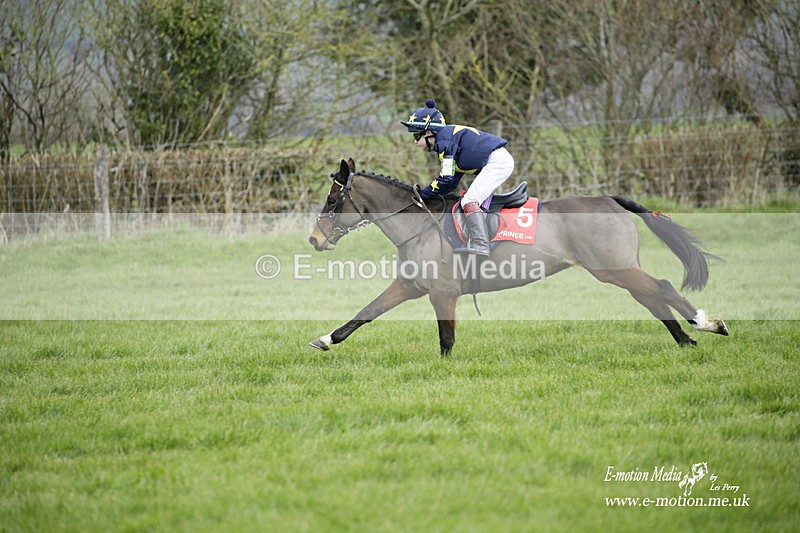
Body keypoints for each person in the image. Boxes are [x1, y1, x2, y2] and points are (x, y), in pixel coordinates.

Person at [401, 99, 514, 256]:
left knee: (469, 200)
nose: (414, 142)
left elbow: (446, 178)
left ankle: (481, 244)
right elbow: (452, 181)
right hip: (497, 160)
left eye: (416, 136)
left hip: (497, 163)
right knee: (467, 198)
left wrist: (424, 194)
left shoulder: (444, 142)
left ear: (428, 133)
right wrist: (430, 194)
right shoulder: (446, 139)